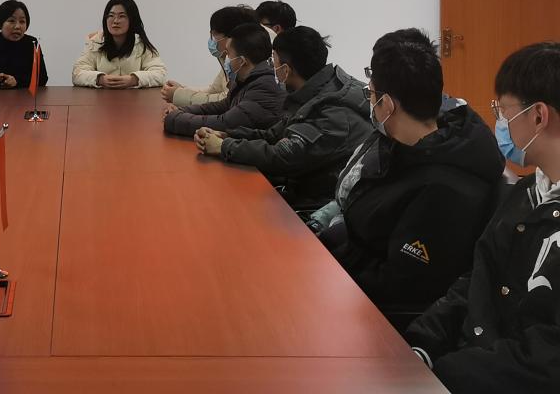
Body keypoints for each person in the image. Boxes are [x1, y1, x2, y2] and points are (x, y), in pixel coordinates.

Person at [311, 29, 504, 318]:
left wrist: (333, 253)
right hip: (344, 265)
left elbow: (400, 285)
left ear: (387, 105)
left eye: (370, 94)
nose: (369, 102)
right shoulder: (398, 141)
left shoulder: (445, 189)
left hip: (377, 310)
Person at [407, 42, 560, 393]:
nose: (500, 123)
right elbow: (478, 278)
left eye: (503, 111)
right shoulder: (526, 193)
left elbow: (547, 359)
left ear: (538, 116)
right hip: (473, 361)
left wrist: (447, 372)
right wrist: (421, 344)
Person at [193, 26, 370, 209]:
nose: (271, 67)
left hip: (318, 206)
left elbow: (284, 156)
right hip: (300, 189)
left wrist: (224, 147)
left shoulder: (332, 111)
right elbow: (274, 135)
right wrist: (227, 136)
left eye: (273, 61)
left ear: (286, 70)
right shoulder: (312, 92)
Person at [164, 23, 284, 137]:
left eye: (228, 53)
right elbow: (221, 106)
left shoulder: (264, 88)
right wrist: (182, 110)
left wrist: (175, 118)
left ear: (241, 61)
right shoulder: (247, 80)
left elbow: (224, 124)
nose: (226, 58)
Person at [161, 5, 256, 107]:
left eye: (214, 35)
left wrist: (178, 95)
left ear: (230, 37)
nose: (212, 40)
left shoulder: (244, 61)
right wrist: (182, 90)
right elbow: (214, 90)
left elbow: (226, 100)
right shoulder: (227, 58)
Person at [73, 0, 166, 89]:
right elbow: (77, 74)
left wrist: (134, 80)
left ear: (132, 20)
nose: (115, 21)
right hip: (103, 97)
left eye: (122, 16)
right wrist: (100, 79)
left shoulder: (141, 45)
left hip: (134, 97)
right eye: (111, 16)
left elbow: (160, 74)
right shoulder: (95, 43)